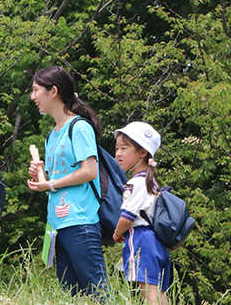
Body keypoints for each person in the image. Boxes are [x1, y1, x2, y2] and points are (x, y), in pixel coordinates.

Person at [27, 66, 109, 297]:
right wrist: (41, 175)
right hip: (57, 224)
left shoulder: (79, 127)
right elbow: (59, 178)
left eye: (36, 90)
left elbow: (89, 171)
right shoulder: (52, 134)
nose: (33, 97)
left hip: (80, 220)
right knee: (71, 295)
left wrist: (50, 184)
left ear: (53, 91)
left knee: (98, 291)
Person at [112, 122, 170, 304]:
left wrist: (117, 233)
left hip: (142, 242)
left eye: (124, 148)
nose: (118, 154)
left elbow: (127, 217)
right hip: (156, 242)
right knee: (159, 292)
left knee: (149, 293)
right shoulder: (151, 182)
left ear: (142, 152)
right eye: (117, 148)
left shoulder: (135, 184)